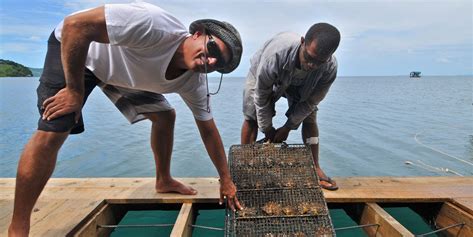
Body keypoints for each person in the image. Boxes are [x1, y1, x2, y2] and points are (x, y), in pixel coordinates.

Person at [8, 2, 243, 236]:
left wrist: (225, 180)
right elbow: (75, 26)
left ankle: (164, 180)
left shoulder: (194, 83)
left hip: (120, 74)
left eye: (219, 64)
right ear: (198, 33)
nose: (211, 61)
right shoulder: (154, 26)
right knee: (54, 130)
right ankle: (18, 227)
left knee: (164, 116)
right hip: (79, 52)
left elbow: (209, 131)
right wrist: (74, 90)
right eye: (212, 49)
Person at [241, 23, 340, 191]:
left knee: (310, 116)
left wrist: (288, 127)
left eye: (319, 62)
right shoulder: (276, 55)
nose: (311, 65)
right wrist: (267, 128)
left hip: (303, 85)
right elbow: (262, 95)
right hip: (266, 76)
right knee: (252, 115)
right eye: (309, 58)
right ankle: (244, 166)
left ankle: (315, 166)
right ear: (303, 42)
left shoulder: (329, 68)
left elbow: (310, 102)